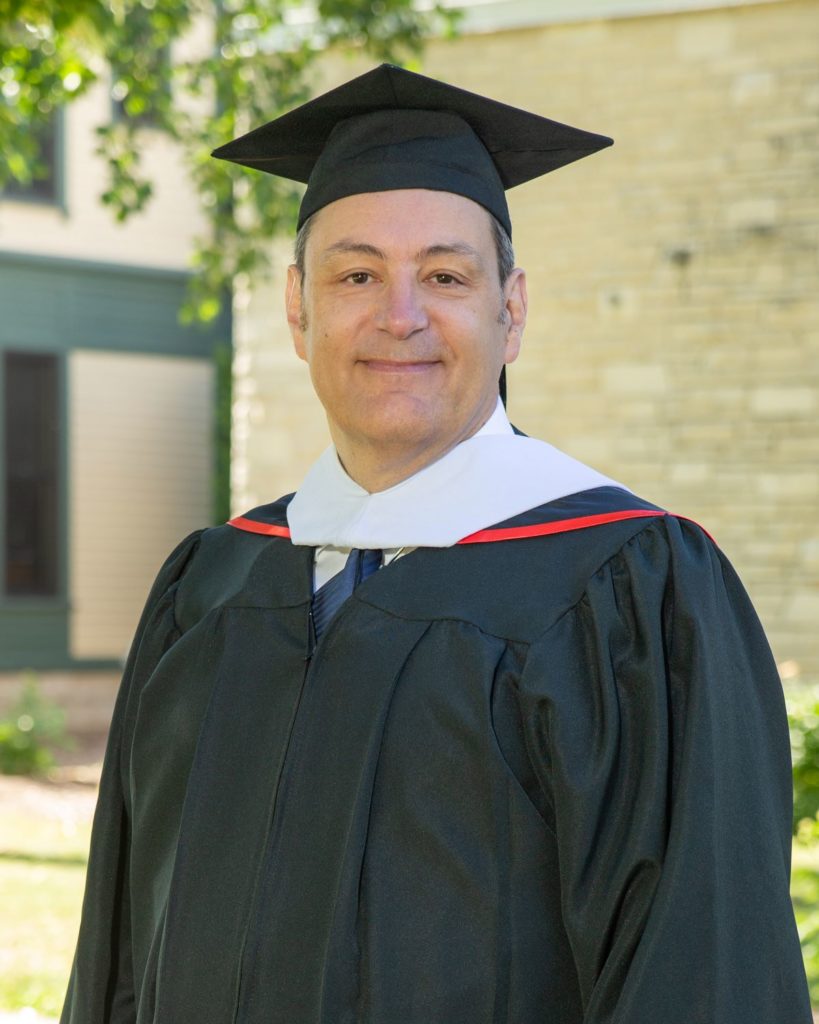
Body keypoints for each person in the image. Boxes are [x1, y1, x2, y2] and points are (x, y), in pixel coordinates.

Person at [62, 64, 811, 1024]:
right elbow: (119, 953)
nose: (399, 315)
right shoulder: (212, 586)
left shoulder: (627, 589)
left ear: (513, 309)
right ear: (298, 309)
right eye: (357, 274)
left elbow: (704, 975)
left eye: (446, 276)